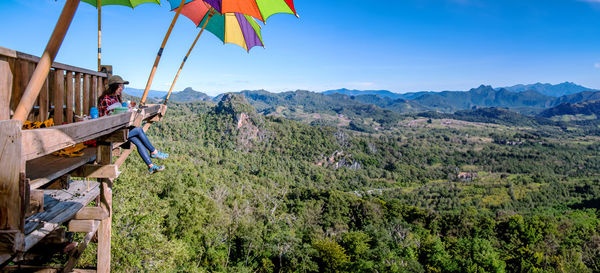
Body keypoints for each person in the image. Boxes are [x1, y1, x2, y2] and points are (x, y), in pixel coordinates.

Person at [97, 75, 168, 174]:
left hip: (118, 128)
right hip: (109, 131)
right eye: (120, 86)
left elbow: (117, 114)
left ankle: (151, 166)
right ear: (113, 86)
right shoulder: (106, 99)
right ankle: (154, 152)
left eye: (122, 87)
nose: (121, 89)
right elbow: (110, 116)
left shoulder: (115, 98)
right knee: (138, 130)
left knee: (138, 141)